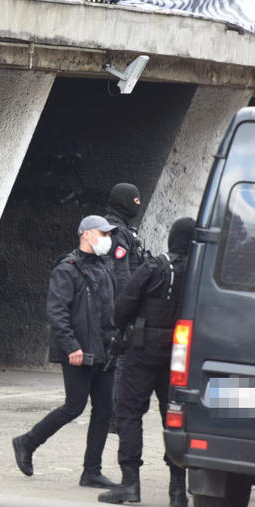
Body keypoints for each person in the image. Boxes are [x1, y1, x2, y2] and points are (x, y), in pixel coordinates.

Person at [12, 215, 119, 487]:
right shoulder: (67, 268)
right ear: (86, 235)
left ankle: (91, 471)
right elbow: (57, 312)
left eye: (109, 234)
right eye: (102, 233)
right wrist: (72, 346)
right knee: (74, 406)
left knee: (104, 410)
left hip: (105, 350)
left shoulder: (105, 266)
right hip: (78, 352)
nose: (107, 239)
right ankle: (27, 442)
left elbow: (109, 309)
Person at [98, 217, 195, 507]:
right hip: (179, 354)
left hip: (142, 350)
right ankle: (178, 490)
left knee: (129, 413)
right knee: (175, 417)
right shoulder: (199, 272)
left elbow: (125, 303)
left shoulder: (155, 267)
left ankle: (130, 484)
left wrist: (121, 327)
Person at [105, 182, 146, 434]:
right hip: (118, 305)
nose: (137, 205)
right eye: (134, 201)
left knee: (118, 359)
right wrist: (128, 308)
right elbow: (120, 276)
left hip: (118, 304)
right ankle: (113, 417)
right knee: (120, 360)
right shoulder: (116, 232)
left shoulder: (122, 230)